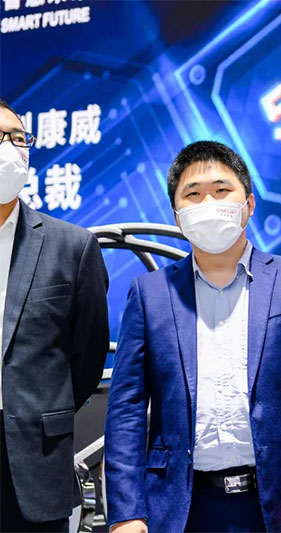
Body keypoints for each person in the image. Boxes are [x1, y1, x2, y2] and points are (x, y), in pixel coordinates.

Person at [104, 141, 281, 533]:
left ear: (249, 204)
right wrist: (126, 512)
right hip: (181, 507)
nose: (208, 203)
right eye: (193, 194)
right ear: (177, 215)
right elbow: (126, 410)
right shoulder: (149, 294)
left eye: (221, 190)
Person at [0, 99, 109, 531]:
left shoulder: (72, 247)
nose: (10, 147)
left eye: (18, 137)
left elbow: (88, 356)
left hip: (35, 464)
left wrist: (44, 408)